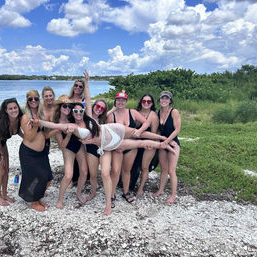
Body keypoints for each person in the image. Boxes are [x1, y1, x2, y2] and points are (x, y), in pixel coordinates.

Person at [37, 106, 176, 215]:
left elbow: (88, 99)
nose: (78, 112)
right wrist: (39, 122)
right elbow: (55, 126)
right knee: (105, 173)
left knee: (139, 135)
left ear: (83, 111)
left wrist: (86, 82)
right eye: (76, 111)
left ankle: (164, 141)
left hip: (114, 131)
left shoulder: (89, 118)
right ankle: (108, 204)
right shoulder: (73, 127)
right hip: (107, 146)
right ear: (72, 113)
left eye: (81, 110)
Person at [107, 90, 153, 206]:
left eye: (123, 100)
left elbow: (146, 122)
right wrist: (116, 146)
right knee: (115, 171)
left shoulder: (132, 112)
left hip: (132, 146)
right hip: (117, 147)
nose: (120, 102)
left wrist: (139, 131)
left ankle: (126, 192)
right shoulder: (111, 116)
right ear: (115, 101)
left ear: (126, 101)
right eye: (118, 100)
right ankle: (111, 195)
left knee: (126, 170)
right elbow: (109, 134)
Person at [50, 94, 89, 208]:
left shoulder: (73, 116)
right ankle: (60, 199)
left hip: (79, 145)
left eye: (69, 107)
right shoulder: (57, 124)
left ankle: (78, 193)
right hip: (67, 148)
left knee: (84, 172)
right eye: (64, 106)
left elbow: (84, 115)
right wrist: (68, 134)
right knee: (68, 175)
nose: (67, 108)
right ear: (60, 108)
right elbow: (61, 146)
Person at [18, 90, 53, 211]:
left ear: (39, 100)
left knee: (48, 177)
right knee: (38, 176)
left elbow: (45, 134)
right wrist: (35, 126)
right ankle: (34, 202)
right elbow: (29, 137)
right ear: (27, 101)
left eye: (36, 99)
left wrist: (60, 129)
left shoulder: (41, 115)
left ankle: (38, 198)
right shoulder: (25, 117)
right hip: (29, 153)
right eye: (30, 99)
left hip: (41, 153)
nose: (33, 101)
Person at [83, 70, 108, 201]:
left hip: (103, 148)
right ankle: (93, 192)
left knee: (104, 171)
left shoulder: (104, 120)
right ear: (94, 106)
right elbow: (87, 99)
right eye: (98, 106)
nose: (99, 108)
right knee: (93, 174)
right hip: (92, 149)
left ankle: (107, 190)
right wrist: (86, 82)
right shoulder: (88, 116)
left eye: (102, 108)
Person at [153, 91, 181, 203]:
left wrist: (168, 141)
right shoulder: (158, 112)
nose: (164, 100)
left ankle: (173, 195)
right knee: (163, 169)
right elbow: (159, 130)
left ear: (170, 101)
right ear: (159, 100)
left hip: (173, 143)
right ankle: (161, 190)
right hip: (163, 143)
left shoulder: (174, 112)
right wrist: (159, 141)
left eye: (166, 99)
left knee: (171, 170)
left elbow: (177, 129)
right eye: (162, 98)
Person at [134, 94, 160, 198]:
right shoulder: (136, 113)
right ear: (141, 102)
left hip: (149, 143)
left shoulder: (153, 115)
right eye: (144, 101)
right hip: (136, 142)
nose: (146, 103)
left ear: (152, 103)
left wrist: (152, 144)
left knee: (144, 167)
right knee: (134, 165)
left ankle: (141, 188)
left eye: (148, 101)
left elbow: (154, 132)